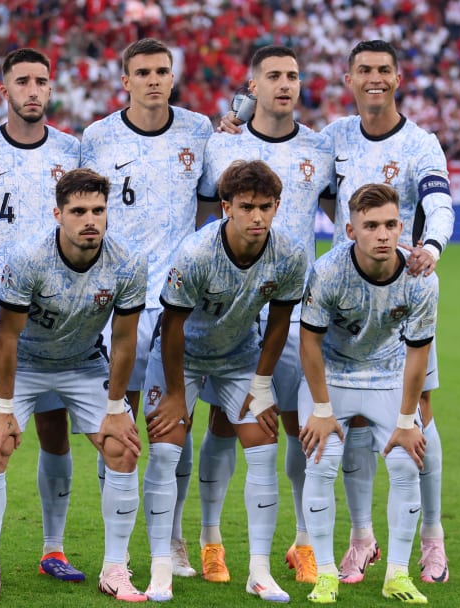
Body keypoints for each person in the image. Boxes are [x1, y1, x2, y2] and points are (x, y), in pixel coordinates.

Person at [0, 168, 147, 604]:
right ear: (58, 214)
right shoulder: (27, 259)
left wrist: (117, 405)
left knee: (122, 447)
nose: (91, 219)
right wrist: (5, 407)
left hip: (84, 363)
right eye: (79, 211)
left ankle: (115, 569)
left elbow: (123, 340)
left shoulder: (129, 262)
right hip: (25, 363)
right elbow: (6, 337)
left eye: (99, 210)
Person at [193, 45, 335, 585]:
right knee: (226, 421)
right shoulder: (222, 144)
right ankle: (211, 541)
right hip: (229, 308)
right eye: (272, 76)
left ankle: (303, 542)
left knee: (301, 427)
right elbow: (204, 217)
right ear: (251, 85)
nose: (284, 84)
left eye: (292, 76)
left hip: (294, 309)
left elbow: (345, 215)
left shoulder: (319, 152)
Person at [79, 38, 213, 579]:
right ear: (125, 80)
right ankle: (120, 540)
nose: (154, 79)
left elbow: (211, 195)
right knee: (117, 419)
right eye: (143, 72)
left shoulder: (199, 130)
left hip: (177, 303)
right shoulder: (97, 137)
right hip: (114, 302)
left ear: (173, 76)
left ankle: (173, 536)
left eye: (162, 70)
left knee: (172, 425)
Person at [143, 159, 307, 602]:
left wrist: (260, 383)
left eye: (266, 207)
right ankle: (161, 565)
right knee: (163, 450)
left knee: (263, 448)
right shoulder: (196, 253)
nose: (258, 217)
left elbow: (279, 320)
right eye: (247, 207)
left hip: (239, 358)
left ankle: (259, 570)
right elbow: (172, 325)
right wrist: (177, 395)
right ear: (226, 207)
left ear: (277, 207)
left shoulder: (290, 254)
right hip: (182, 357)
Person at [323, 40, 453, 585]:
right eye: (364, 71)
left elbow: (439, 200)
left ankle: (432, 537)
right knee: (351, 419)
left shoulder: (422, 143)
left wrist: (432, 246)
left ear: (398, 77)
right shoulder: (334, 137)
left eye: (383, 70)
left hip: (403, 296)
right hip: (345, 298)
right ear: (349, 78)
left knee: (417, 414)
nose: (374, 78)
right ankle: (362, 538)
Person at [0, 47, 84, 583]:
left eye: (42, 81)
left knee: (54, 429)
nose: (34, 90)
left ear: (50, 89)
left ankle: (52, 546)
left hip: (54, 317)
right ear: (3, 91)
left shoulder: (73, 152)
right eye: (23, 82)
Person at [299, 183, 437, 605]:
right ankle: (325, 575)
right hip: (333, 377)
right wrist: (321, 410)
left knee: (406, 464)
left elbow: (418, 355)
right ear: (350, 230)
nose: (382, 234)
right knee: (320, 464)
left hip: (387, 376)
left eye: (391, 225)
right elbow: (309, 342)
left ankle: (397, 574)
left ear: (401, 228)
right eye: (371, 225)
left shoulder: (421, 279)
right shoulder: (327, 271)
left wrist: (406, 421)